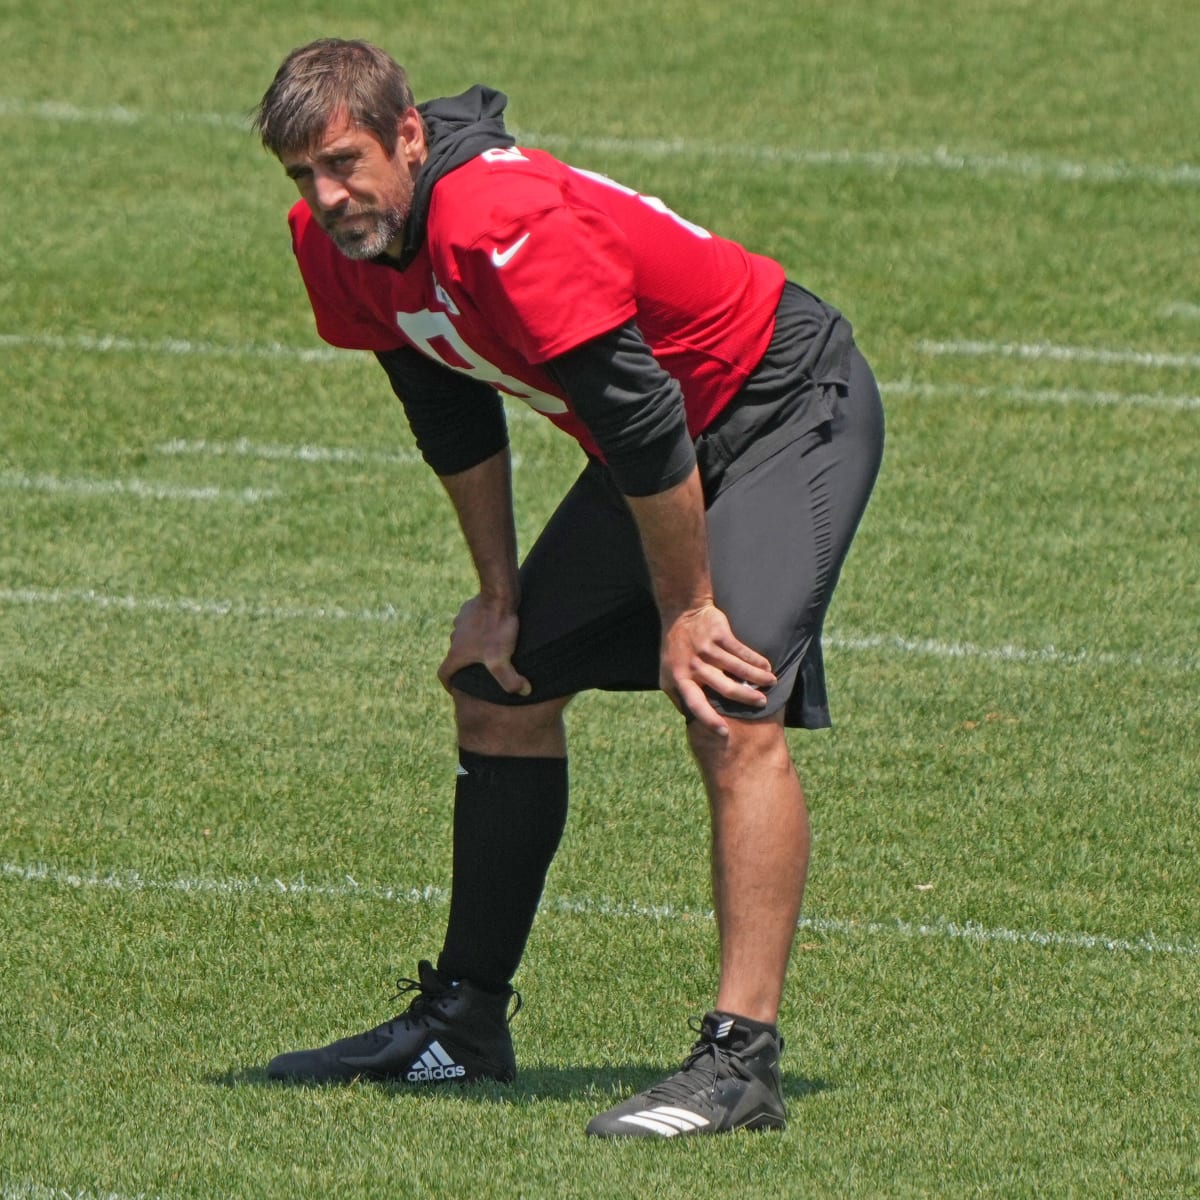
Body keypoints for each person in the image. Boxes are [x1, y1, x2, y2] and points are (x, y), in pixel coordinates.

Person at [253, 38, 884, 1138]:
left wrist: (689, 611)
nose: (327, 195)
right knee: (500, 685)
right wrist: (494, 591)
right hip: (665, 438)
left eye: (345, 161)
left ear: (408, 133)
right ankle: (464, 1024)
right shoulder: (337, 241)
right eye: (303, 172)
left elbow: (641, 420)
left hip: (782, 404)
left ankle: (742, 1063)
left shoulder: (494, 219)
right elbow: (445, 402)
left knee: (730, 703)